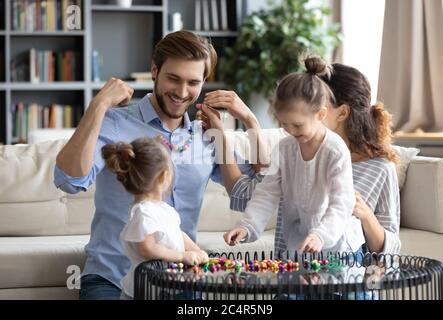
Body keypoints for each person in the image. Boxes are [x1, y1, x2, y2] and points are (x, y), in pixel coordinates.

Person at [53, 30, 254, 300]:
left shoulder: (207, 134)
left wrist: (249, 121)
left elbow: (247, 197)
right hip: (111, 277)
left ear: (204, 81)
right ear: (154, 70)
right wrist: (98, 105)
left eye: (193, 82)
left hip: (180, 279)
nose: (182, 93)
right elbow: (69, 180)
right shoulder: (114, 122)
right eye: (173, 78)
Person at [219, 59, 401, 256]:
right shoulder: (289, 146)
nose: (288, 129)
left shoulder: (371, 166)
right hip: (292, 261)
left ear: (338, 113)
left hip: (340, 266)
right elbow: (258, 194)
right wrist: (247, 226)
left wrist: (365, 216)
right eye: (285, 122)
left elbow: (390, 252)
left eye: (297, 124)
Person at [101, 137, 209, 300]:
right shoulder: (143, 213)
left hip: (167, 284)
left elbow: (178, 234)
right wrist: (181, 256)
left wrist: (196, 250)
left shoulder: (164, 209)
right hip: (146, 290)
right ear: (163, 177)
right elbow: (146, 248)